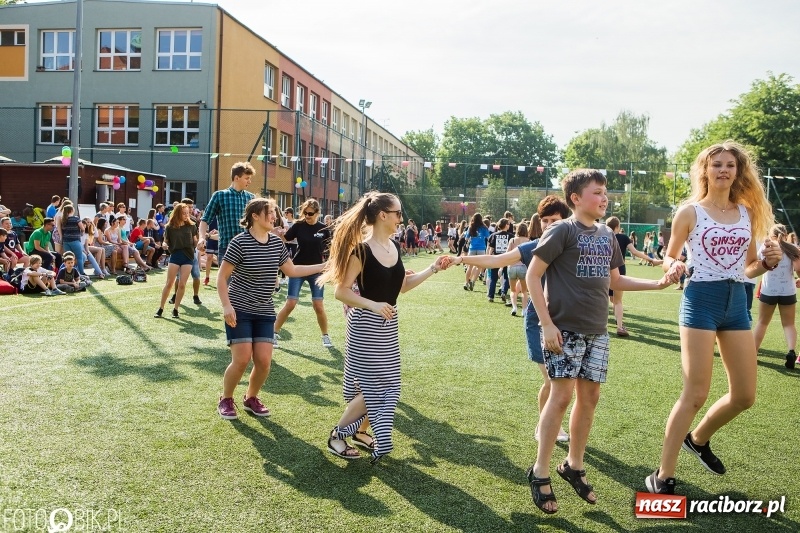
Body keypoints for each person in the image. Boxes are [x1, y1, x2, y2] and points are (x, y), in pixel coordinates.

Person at [524, 170, 674, 513]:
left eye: (605, 192)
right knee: (560, 396)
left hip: (597, 331)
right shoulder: (562, 229)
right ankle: (540, 471)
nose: (604, 198)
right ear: (576, 198)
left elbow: (615, 281)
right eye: (597, 192)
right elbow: (533, 275)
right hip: (564, 330)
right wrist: (546, 324)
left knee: (589, 397)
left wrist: (658, 285)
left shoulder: (607, 234)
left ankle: (573, 465)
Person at [645, 141, 782, 496]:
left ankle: (699, 438)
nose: (723, 170)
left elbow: (750, 267)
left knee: (745, 396)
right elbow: (669, 254)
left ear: (739, 172)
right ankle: (663, 475)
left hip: (737, 301)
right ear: (705, 170)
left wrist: (767, 262)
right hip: (700, 300)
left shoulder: (746, 213)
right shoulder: (690, 212)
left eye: (730, 165)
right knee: (695, 392)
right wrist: (672, 263)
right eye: (716, 164)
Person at [320, 192, 449, 462]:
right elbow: (341, 292)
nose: (400, 219)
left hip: (387, 326)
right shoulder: (361, 250)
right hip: (366, 325)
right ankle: (338, 435)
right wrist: (373, 305)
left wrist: (432, 269)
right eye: (397, 214)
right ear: (383, 215)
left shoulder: (395, 247)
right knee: (374, 388)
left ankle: (354, 433)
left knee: (388, 385)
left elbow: (401, 287)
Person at [452, 196, 573, 446]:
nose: (550, 225)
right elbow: (497, 260)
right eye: (546, 220)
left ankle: (549, 423)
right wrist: (462, 259)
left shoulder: (572, 245)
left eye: (555, 220)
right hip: (537, 320)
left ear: (566, 220)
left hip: (565, 321)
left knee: (563, 383)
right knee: (552, 380)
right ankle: (546, 425)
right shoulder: (535, 246)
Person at [216, 198, 326, 420]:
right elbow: (222, 276)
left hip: (265, 310)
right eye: (269, 213)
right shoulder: (240, 242)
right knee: (242, 360)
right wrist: (227, 306)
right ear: (255, 216)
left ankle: (250, 398)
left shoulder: (277, 244)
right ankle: (226, 398)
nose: (274, 217)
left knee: (264, 362)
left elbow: (292, 270)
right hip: (240, 309)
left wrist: (326, 266)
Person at [273, 199, 334, 348]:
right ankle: (273, 333)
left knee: (318, 305)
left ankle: (325, 336)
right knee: (291, 303)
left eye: (310, 213)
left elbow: (332, 248)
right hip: (298, 268)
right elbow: (285, 239)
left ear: (318, 213)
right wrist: (277, 233)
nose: (307, 216)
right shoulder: (299, 226)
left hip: (317, 270)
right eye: (305, 213)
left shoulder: (324, 229)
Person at [752, 224, 800, 368]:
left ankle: (753, 353)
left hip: (769, 290)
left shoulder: (767, 246)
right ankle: (791, 351)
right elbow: (798, 269)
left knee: (762, 322)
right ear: (785, 234)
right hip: (788, 291)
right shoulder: (792, 248)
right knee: (789, 324)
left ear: (771, 234)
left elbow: (757, 264)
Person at [605, 216, 663, 336]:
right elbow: (635, 252)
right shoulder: (623, 237)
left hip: (603, 269)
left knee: (606, 298)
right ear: (617, 227)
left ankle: (603, 324)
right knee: (617, 300)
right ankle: (620, 327)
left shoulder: (603, 236)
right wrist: (651, 260)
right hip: (619, 268)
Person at [199, 162, 256, 263]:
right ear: (236, 178)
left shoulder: (251, 198)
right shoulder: (219, 195)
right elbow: (205, 220)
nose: (250, 181)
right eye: (247, 178)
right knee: (225, 279)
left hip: (248, 249)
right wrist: (201, 238)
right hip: (227, 248)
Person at [154, 203, 198, 319]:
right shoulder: (170, 227)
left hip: (188, 256)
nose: (186, 215)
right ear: (178, 213)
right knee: (169, 283)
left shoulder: (192, 226)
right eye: (184, 213)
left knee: (182, 284)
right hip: (175, 255)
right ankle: (161, 308)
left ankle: (176, 309)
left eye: (187, 213)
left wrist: (201, 243)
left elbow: (195, 241)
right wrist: (164, 245)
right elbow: (166, 241)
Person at [486, 218, 514, 302]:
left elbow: (491, 249)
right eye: (508, 224)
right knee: (506, 277)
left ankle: (491, 296)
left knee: (493, 278)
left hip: (495, 258)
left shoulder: (494, 235)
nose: (509, 225)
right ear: (505, 225)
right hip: (506, 258)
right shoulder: (511, 236)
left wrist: (489, 258)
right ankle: (503, 292)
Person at [463, 213, 491, 291]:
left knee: (470, 267)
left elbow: (466, 238)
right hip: (481, 248)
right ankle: (473, 281)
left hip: (472, 248)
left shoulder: (471, 227)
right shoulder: (484, 227)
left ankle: (466, 282)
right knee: (479, 266)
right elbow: (488, 237)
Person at [59, 204, 86, 276]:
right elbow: (83, 228)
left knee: (67, 258)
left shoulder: (63, 219)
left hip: (66, 241)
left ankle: (67, 272)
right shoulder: (76, 218)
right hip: (75, 240)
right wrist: (81, 233)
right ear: (71, 210)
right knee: (79, 257)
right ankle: (81, 273)